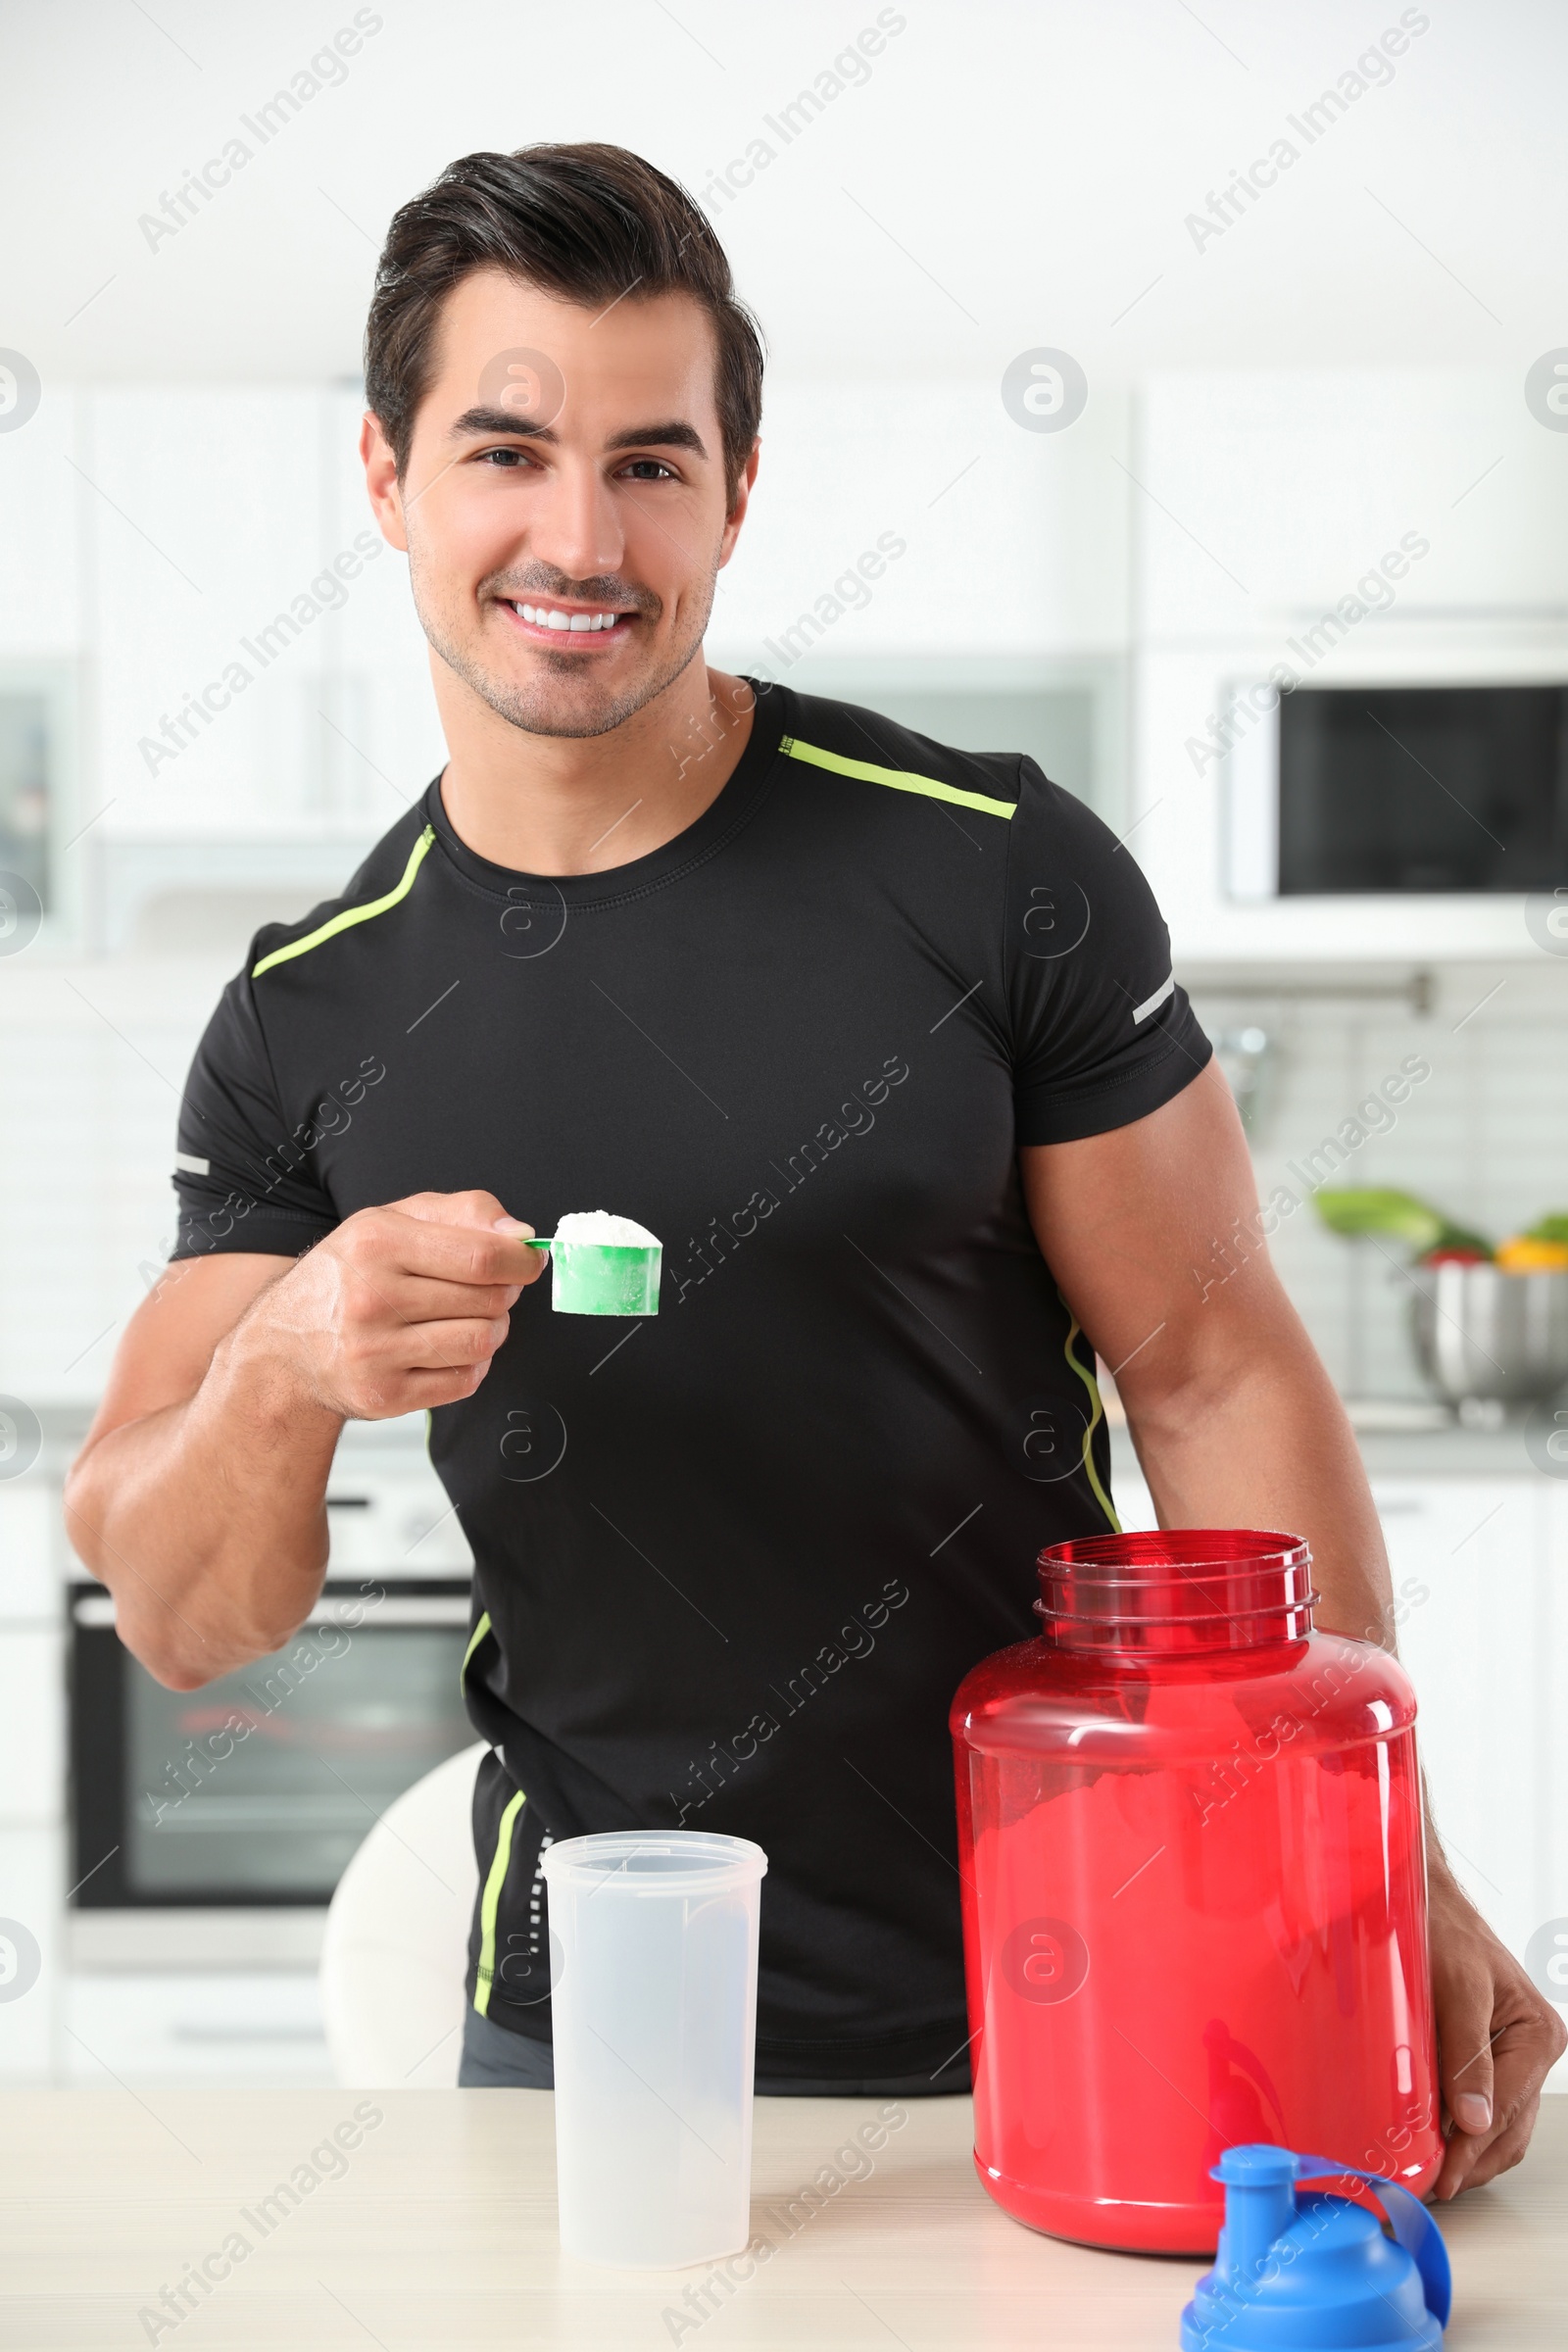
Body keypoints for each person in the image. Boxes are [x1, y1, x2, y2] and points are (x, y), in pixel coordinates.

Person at [67, 143, 1561, 2176]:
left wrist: (1376, 1865)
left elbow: (1209, 1372)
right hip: (600, 2043)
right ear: (387, 478)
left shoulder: (987, 869)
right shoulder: (307, 1012)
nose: (578, 535)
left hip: (1092, 1968)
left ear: (735, 493)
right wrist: (278, 1367)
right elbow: (180, 1612)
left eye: (651, 463)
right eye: (505, 449)